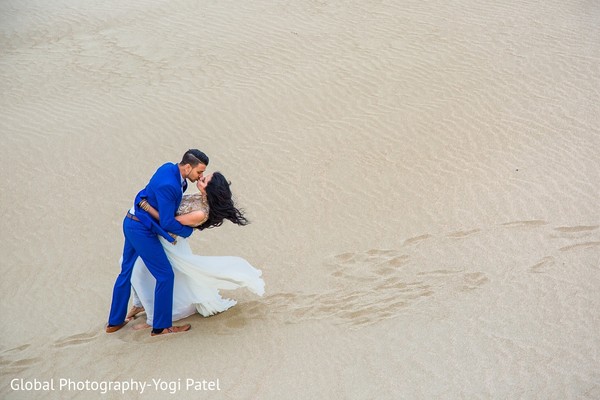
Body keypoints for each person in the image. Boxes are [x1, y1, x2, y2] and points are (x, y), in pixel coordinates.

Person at [126, 172, 264, 329]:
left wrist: (146, 207)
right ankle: (140, 304)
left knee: (141, 273)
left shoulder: (201, 213)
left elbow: (167, 222)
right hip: (156, 237)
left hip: (168, 242)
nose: (200, 178)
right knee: (132, 266)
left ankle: (153, 318)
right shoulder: (198, 197)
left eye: (204, 180)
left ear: (209, 189)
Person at [106, 149, 209, 336]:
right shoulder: (170, 184)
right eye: (199, 172)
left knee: (126, 271)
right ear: (187, 167)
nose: (200, 175)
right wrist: (188, 231)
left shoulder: (170, 169)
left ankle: (114, 322)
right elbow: (168, 222)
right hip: (141, 229)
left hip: (131, 220)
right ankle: (161, 327)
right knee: (165, 275)